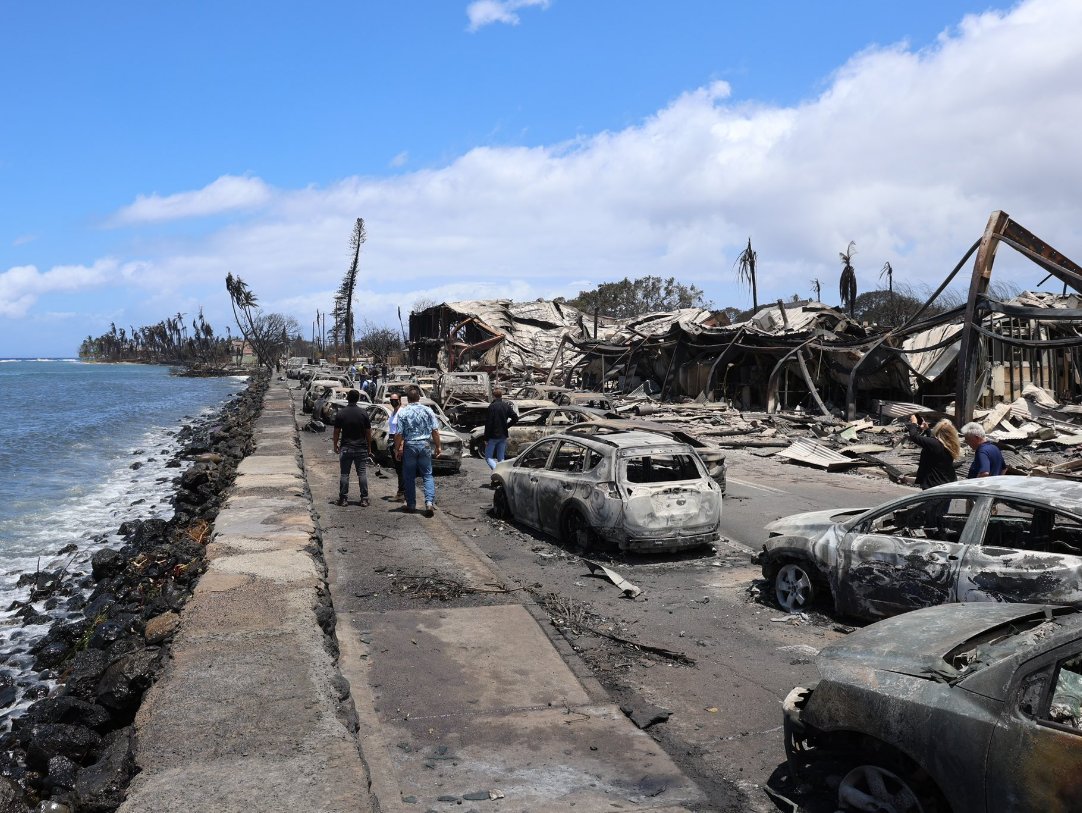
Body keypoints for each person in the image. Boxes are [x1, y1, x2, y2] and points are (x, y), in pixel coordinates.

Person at [394, 385, 441, 516]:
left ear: (407, 399)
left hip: (410, 446)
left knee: (409, 476)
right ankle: (429, 503)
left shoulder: (403, 412)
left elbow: (399, 434)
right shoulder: (428, 411)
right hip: (425, 445)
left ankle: (411, 504)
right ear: (419, 397)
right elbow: (435, 431)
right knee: (427, 475)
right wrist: (438, 446)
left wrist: (397, 449)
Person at [332, 390, 374, 507]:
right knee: (362, 473)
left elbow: (336, 432)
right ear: (357, 399)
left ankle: (343, 499)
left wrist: (335, 445)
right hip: (361, 448)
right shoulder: (363, 413)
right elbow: (368, 433)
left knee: (345, 474)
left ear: (347, 398)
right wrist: (369, 448)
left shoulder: (341, 413)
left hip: (346, 448)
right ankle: (364, 499)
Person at [906, 414, 961, 489]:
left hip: (934, 485)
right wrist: (927, 429)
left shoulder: (935, 444)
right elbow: (932, 445)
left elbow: (914, 436)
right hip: (946, 483)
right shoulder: (949, 445)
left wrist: (914, 423)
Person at [483, 387, 518, 471]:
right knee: (501, 459)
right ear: (501, 396)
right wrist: (506, 426)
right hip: (503, 436)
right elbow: (515, 418)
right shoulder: (506, 406)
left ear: (493, 396)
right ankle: (501, 474)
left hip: (493, 436)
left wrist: (486, 438)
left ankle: (498, 472)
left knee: (488, 457)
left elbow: (488, 424)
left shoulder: (492, 407)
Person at [387, 393, 406, 501]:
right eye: (391, 400)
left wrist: (400, 446)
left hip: (398, 442)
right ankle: (401, 492)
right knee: (398, 469)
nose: (393, 401)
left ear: (400, 400)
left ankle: (402, 493)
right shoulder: (393, 412)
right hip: (392, 441)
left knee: (401, 468)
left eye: (395, 400)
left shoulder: (401, 412)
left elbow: (401, 432)